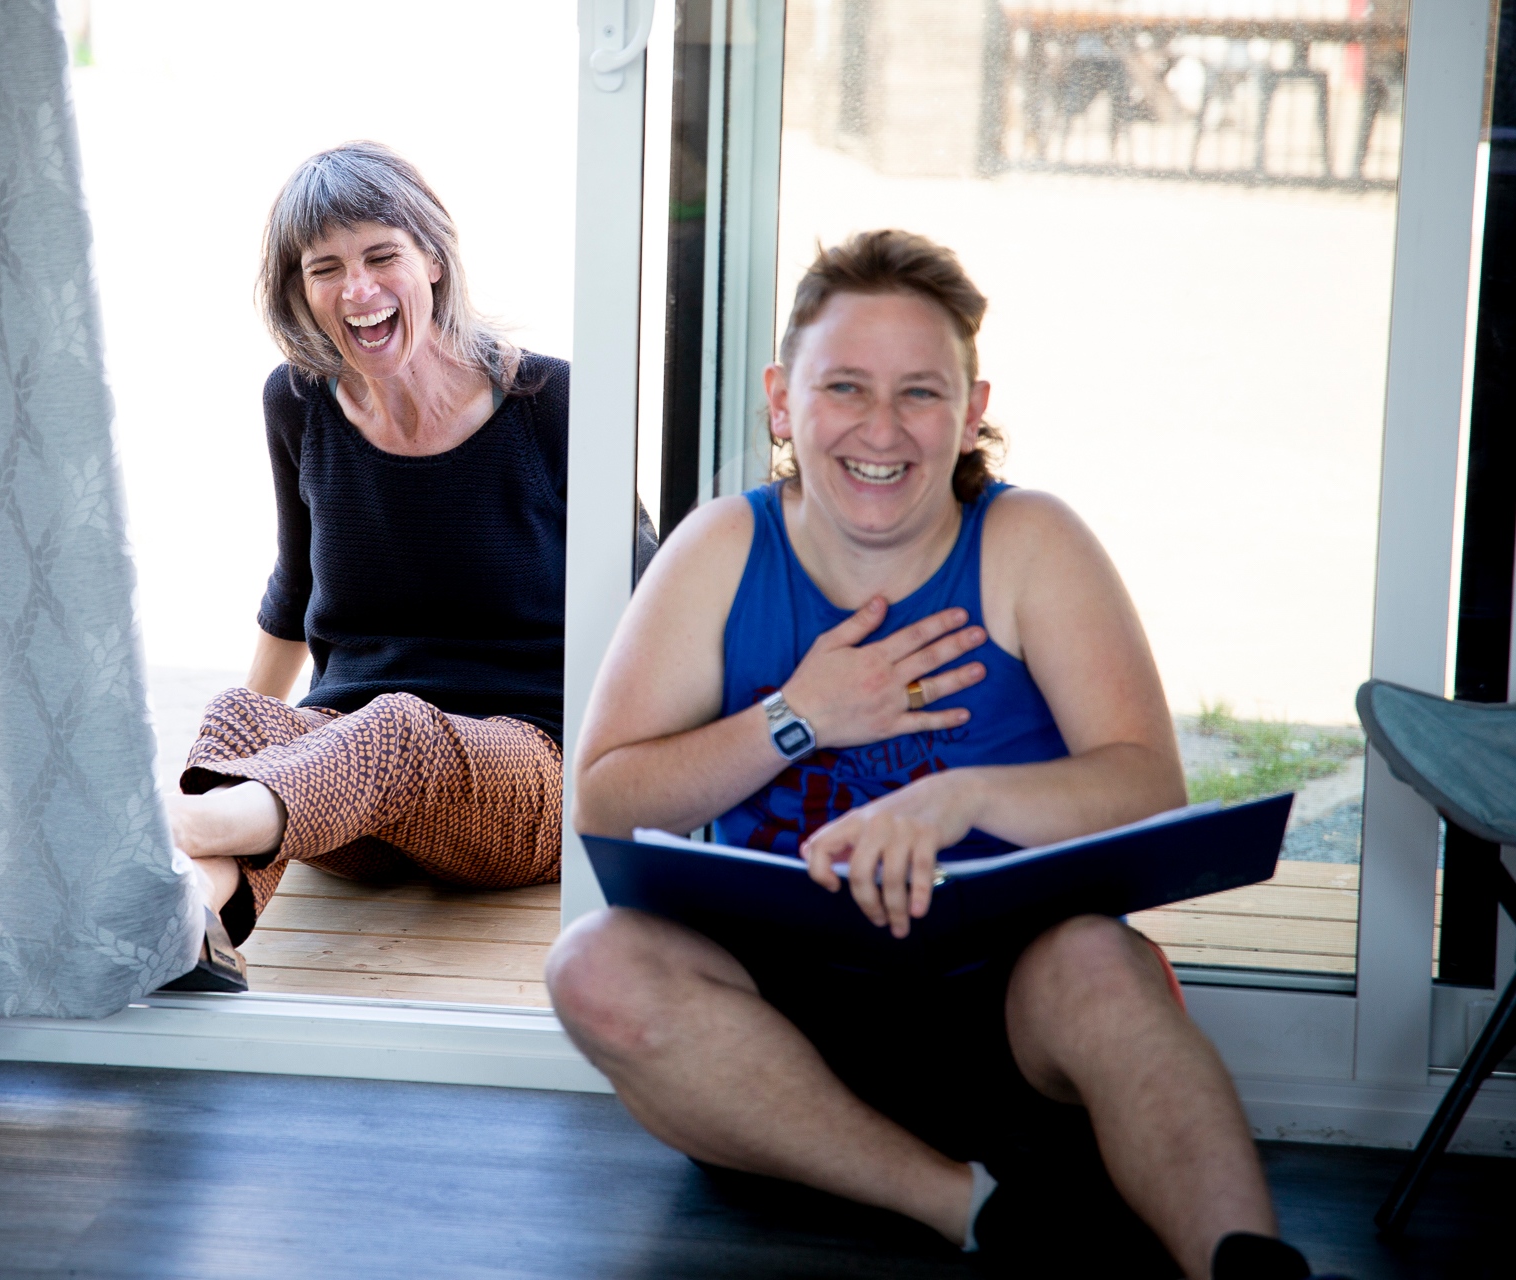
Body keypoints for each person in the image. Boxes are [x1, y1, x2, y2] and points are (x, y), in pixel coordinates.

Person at [546, 231, 1340, 1279]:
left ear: (971, 409)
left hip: (1010, 1016)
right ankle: (967, 1206)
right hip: (776, 1043)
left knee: (1101, 959)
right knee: (591, 962)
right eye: (846, 387)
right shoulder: (722, 550)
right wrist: (800, 714)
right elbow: (603, 798)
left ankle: (1245, 1265)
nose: (882, 429)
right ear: (785, 401)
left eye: (921, 392)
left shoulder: (1030, 543)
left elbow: (1148, 782)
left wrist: (957, 799)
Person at [161, 141, 579, 991]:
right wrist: (259, 731)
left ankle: (170, 828)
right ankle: (189, 930)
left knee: (399, 725)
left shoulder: (551, 404)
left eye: (381, 256)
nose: (358, 290)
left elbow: (647, 591)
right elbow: (295, 587)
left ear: (431, 258)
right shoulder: (298, 402)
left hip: (527, 780)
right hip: (349, 794)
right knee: (244, 714)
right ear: (299, 292)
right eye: (326, 268)